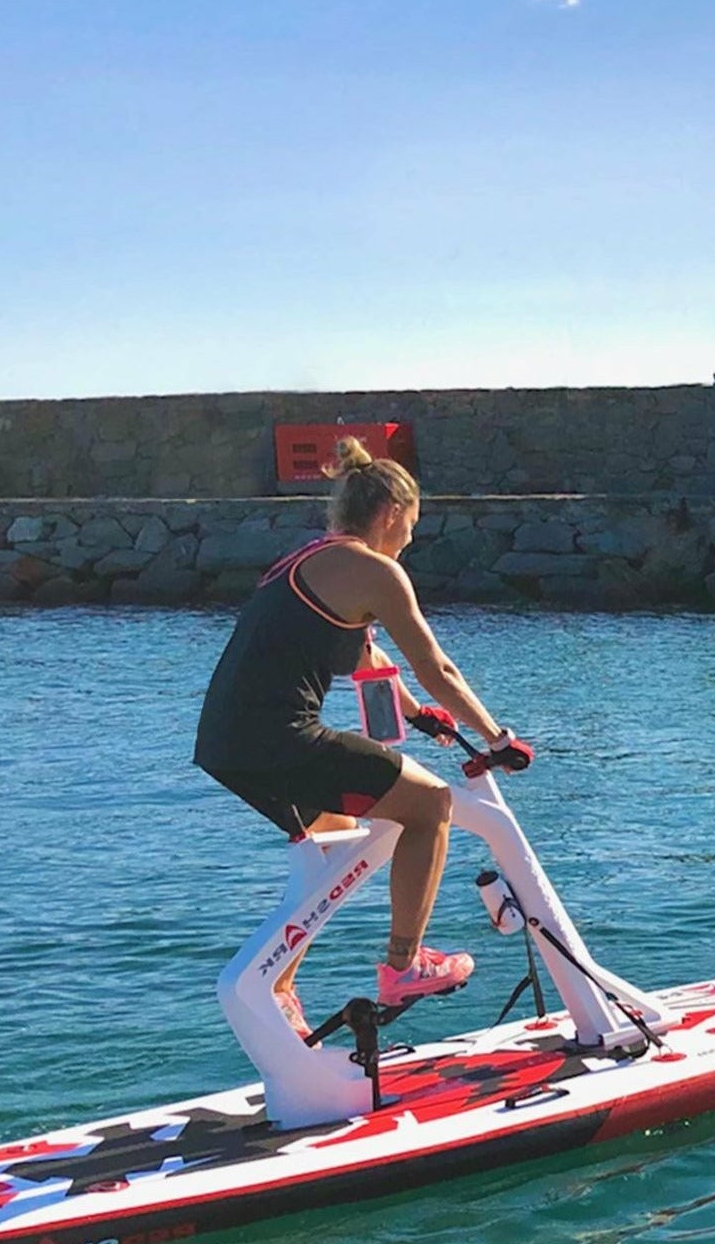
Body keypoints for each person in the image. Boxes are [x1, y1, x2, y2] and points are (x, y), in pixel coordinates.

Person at [193, 439, 517, 1025]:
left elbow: (370, 662)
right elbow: (437, 666)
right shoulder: (375, 570)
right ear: (392, 512)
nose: (411, 540)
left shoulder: (311, 560)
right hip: (278, 736)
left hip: (226, 743)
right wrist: (497, 737)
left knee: (339, 846)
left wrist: (419, 716)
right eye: (412, 524)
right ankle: (404, 967)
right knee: (430, 805)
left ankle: (279, 989)